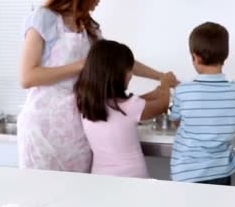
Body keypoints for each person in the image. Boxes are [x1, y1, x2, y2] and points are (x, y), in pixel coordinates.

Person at [17, 0, 176, 172]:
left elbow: (119, 60)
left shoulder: (88, 26)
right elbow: (28, 77)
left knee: (77, 197)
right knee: (42, 196)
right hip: (43, 128)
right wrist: (81, 65)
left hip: (77, 128)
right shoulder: (44, 18)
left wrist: (160, 76)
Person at [75, 40, 176, 178]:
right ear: (115, 73)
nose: (131, 75)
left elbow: (124, 108)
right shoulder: (130, 107)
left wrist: (152, 94)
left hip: (100, 178)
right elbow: (163, 105)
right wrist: (165, 82)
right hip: (133, 178)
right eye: (128, 70)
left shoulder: (85, 103)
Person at [169, 22, 235, 185]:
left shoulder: (183, 90)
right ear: (225, 55)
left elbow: (176, 120)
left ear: (195, 57)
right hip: (221, 170)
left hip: (187, 172)